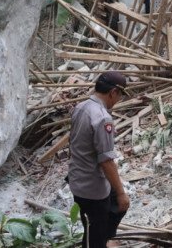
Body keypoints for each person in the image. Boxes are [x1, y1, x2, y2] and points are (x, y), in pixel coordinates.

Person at [68, 71, 131, 248]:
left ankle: (102, 238)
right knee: (98, 230)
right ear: (113, 92)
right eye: (119, 96)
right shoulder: (103, 118)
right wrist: (121, 192)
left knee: (100, 221)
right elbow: (106, 161)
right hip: (92, 187)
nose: (118, 101)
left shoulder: (81, 107)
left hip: (78, 178)